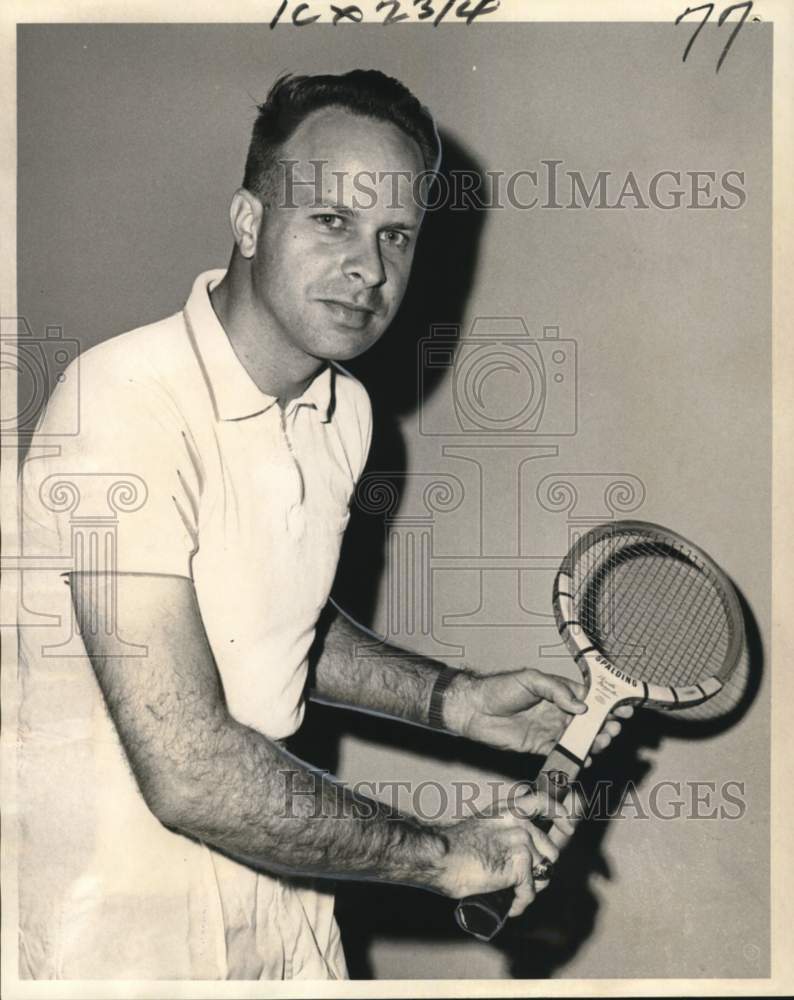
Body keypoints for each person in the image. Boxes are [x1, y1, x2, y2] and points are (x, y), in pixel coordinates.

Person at [17, 70, 630, 981]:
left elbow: (268, 616)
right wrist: (443, 855)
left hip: (284, 897)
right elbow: (190, 771)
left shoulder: (345, 413)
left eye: (396, 237)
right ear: (251, 220)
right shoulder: (124, 403)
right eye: (332, 221)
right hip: (112, 930)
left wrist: (449, 699)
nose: (370, 269)